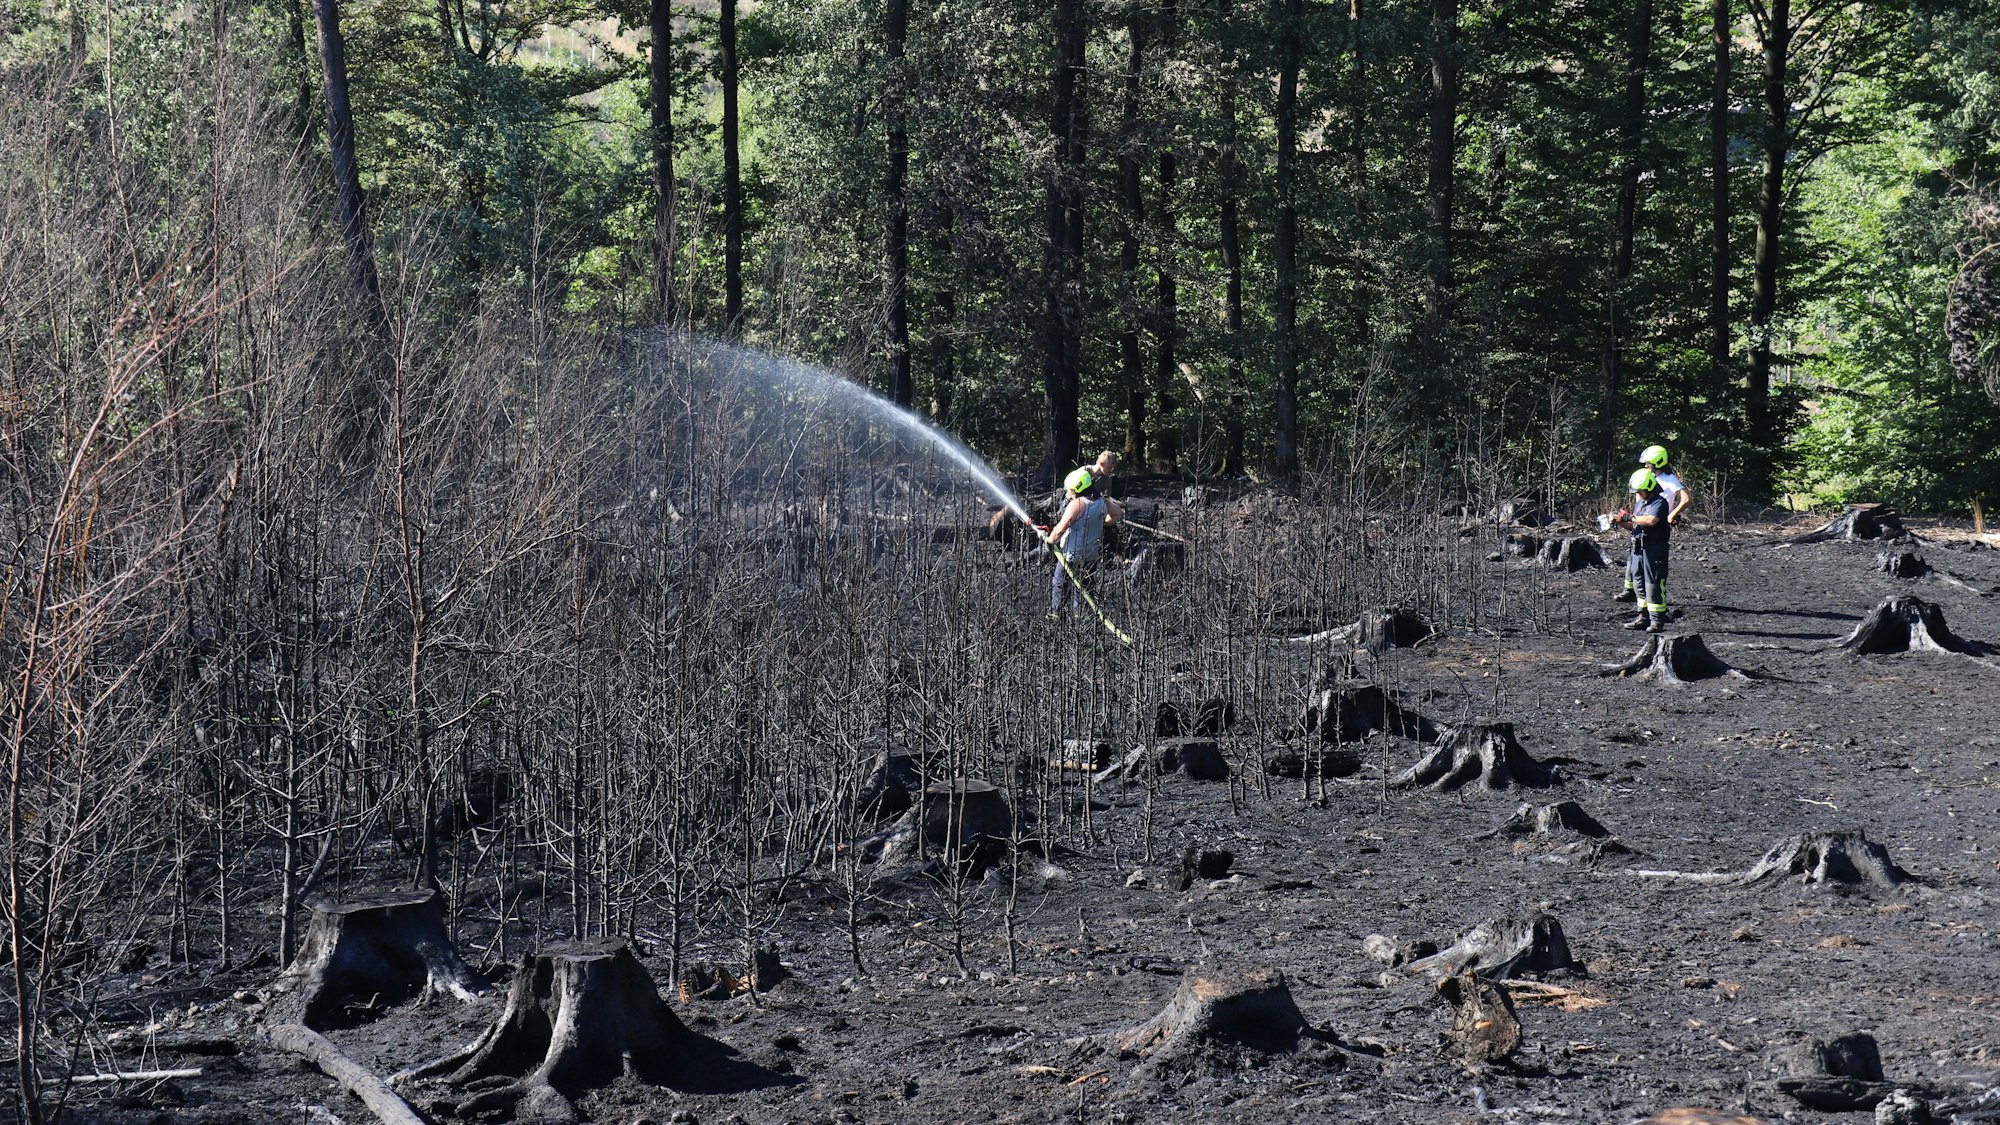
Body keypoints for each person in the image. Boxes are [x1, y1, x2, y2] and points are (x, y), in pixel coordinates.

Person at [1045, 466, 1123, 616]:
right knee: (1085, 588)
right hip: (1092, 554)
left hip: (1071, 555)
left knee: (1059, 584)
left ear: (1078, 489)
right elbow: (1118, 513)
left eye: (1071, 490)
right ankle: (1081, 619)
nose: (1069, 493)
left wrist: (1049, 541)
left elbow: (1060, 529)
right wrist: (1103, 522)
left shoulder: (1077, 505)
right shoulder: (1102, 501)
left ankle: (1055, 616)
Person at [1617, 444, 1690, 602]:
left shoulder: (1670, 480)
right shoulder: (1647, 477)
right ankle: (1630, 590)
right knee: (1634, 556)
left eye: (1648, 462)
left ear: (1657, 462)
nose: (1645, 465)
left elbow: (1686, 499)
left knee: (1651, 566)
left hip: (1656, 526)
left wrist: (1672, 515)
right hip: (1642, 521)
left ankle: (1652, 603)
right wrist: (1630, 517)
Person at [1615, 468, 1671, 633]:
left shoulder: (1660, 503)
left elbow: (1651, 520)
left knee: (1653, 584)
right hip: (1638, 549)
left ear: (1649, 487)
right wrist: (1620, 522)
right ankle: (1643, 616)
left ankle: (1657, 620)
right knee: (1639, 583)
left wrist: (1629, 517)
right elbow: (1634, 525)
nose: (1639, 493)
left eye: (1641, 490)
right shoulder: (1640, 503)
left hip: (1653, 550)